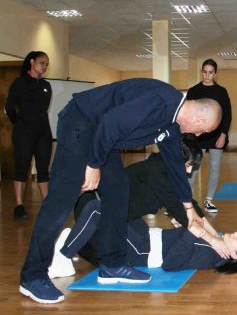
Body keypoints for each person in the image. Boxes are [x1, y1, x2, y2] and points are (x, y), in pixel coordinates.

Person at [19, 78, 222, 304]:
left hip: (105, 137)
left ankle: (112, 264)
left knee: (118, 190)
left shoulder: (170, 123)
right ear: (199, 118)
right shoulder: (160, 101)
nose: (199, 135)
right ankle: (32, 276)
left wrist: (188, 207)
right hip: (82, 123)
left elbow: (175, 163)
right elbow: (110, 124)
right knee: (61, 199)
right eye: (203, 130)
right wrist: (94, 165)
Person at [48, 195, 237, 277]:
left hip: (141, 249)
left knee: (96, 208)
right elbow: (195, 228)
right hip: (145, 235)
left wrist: (191, 233)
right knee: (110, 200)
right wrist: (185, 227)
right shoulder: (218, 244)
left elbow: (171, 264)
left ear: (234, 257)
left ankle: (64, 257)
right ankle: (76, 241)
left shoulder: (209, 255)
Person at [5, 51, 52, 219]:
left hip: (43, 133)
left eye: (47, 64)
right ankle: (19, 206)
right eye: (42, 62)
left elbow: (43, 110)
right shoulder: (19, 83)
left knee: (43, 168)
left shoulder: (46, 85)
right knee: (22, 168)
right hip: (24, 133)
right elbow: (9, 107)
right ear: (32, 62)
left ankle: (47, 205)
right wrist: (19, 123)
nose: (45, 66)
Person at [187, 59, 232, 213]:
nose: (207, 75)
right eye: (205, 72)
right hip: (197, 137)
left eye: (210, 72)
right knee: (193, 168)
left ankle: (209, 200)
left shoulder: (221, 92)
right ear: (202, 72)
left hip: (216, 136)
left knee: (214, 168)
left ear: (215, 73)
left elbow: (227, 115)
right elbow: (188, 113)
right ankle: (187, 200)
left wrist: (223, 134)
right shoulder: (193, 91)